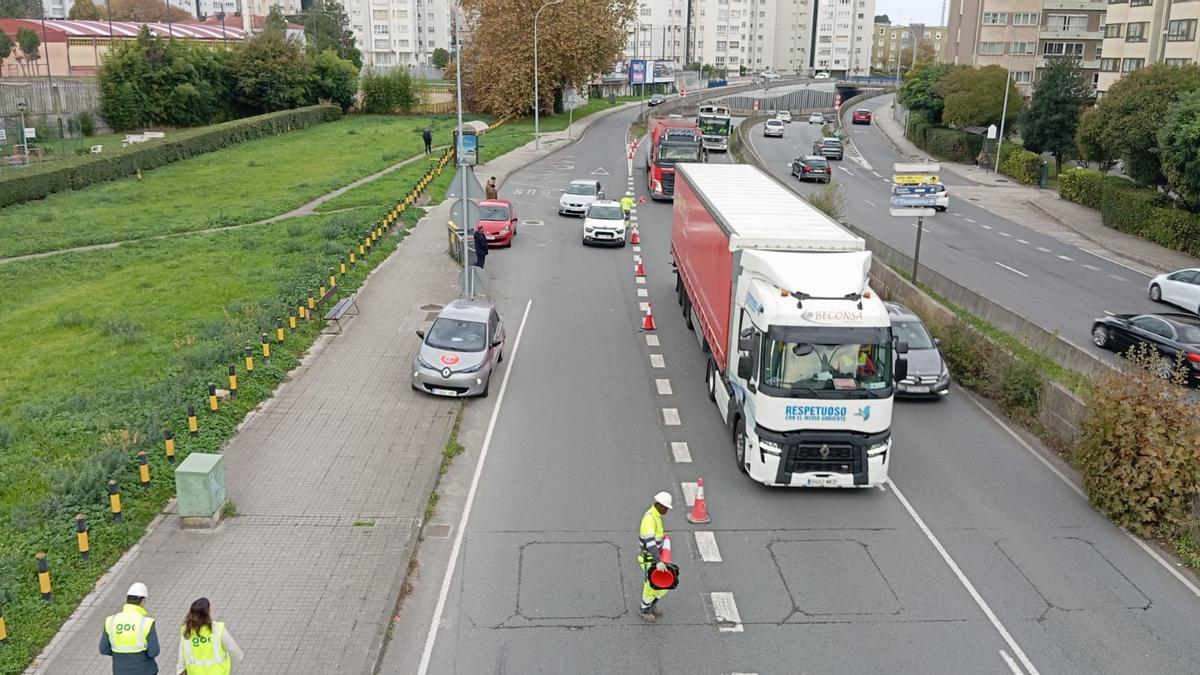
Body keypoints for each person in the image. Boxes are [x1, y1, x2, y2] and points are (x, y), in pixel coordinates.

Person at [100, 582, 161, 675]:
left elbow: (103, 649)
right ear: (142, 601)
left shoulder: (110, 620)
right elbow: (154, 652)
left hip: (120, 671)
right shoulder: (146, 623)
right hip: (145, 671)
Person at [177, 597, 243, 675]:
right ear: (208, 612)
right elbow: (236, 654)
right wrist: (227, 667)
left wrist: (180, 672)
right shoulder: (218, 630)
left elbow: (182, 657)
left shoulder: (186, 631)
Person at [637, 492, 673, 623]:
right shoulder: (649, 519)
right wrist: (658, 561)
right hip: (649, 558)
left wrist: (663, 536)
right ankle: (644, 610)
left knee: (665, 583)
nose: (667, 510)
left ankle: (652, 603)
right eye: (666, 507)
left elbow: (655, 535)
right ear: (659, 505)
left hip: (655, 557)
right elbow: (650, 542)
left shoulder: (656, 516)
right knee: (651, 585)